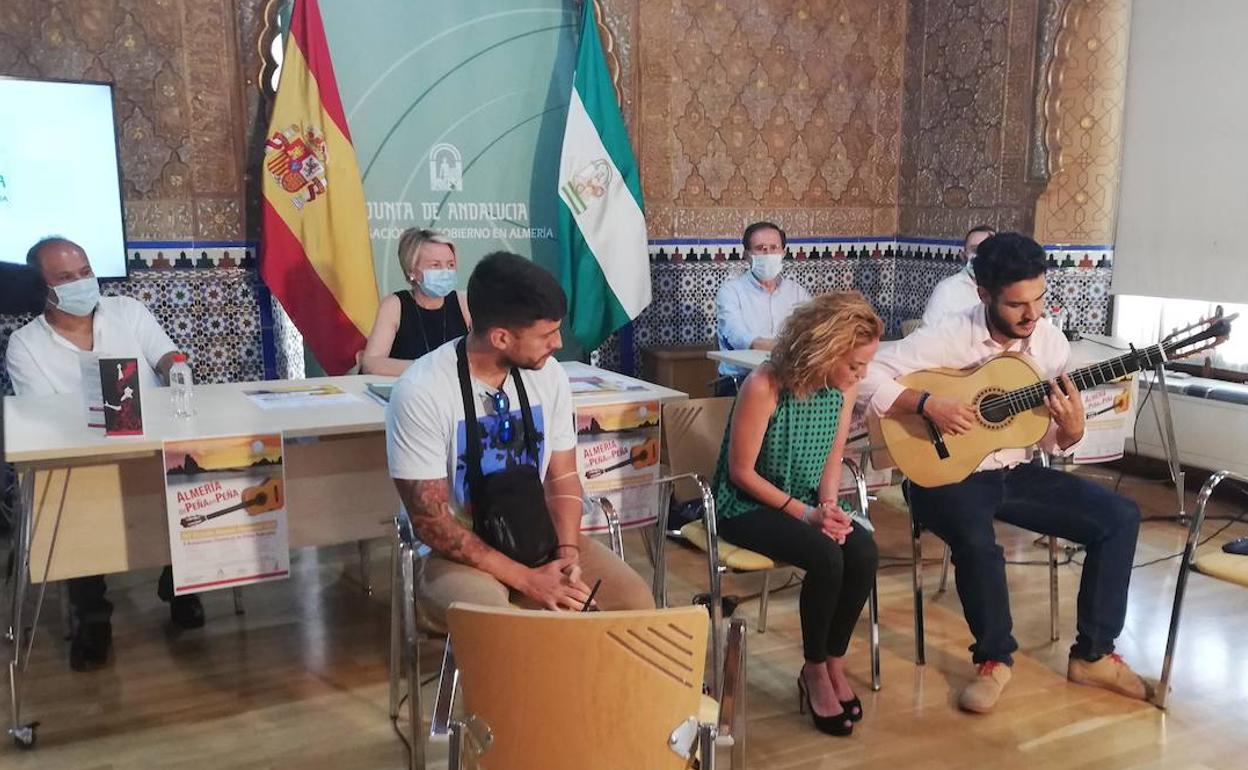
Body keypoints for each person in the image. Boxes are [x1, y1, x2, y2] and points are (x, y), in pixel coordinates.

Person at [861, 232, 1148, 714]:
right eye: (1017, 305)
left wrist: (1071, 432)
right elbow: (866, 373)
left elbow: (1042, 437)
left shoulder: (1049, 344)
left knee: (1119, 516)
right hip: (942, 475)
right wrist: (927, 403)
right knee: (976, 540)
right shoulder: (947, 336)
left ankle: (1094, 655)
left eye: (1038, 299)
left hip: (1012, 472)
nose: (1031, 316)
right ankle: (995, 660)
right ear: (984, 295)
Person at [385, 251, 653, 625]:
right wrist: (529, 581)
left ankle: (595, 685)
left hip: (536, 537)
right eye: (546, 334)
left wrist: (568, 554)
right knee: (502, 627)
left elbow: (561, 477)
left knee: (635, 604)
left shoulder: (550, 375)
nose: (558, 343)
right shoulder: (421, 390)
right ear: (500, 337)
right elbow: (434, 524)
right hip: (452, 554)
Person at [5, 237, 205, 672]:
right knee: (72, 504)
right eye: (65, 278)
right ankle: (91, 617)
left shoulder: (128, 311)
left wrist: (176, 368)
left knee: (189, 479)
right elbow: (44, 413)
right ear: (44, 289)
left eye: (85, 272)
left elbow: (166, 353)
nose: (81, 283)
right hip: (81, 458)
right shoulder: (24, 344)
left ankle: (183, 584)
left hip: (152, 447)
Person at [711, 291, 882, 736]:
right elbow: (741, 472)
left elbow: (832, 455)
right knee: (827, 558)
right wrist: (806, 515)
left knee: (862, 550)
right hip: (746, 504)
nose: (860, 375)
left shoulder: (842, 388)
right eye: (854, 364)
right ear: (824, 347)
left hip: (805, 500)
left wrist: (827, 506)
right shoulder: (765, 384)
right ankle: (812, 670)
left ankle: (833, 662)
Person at [714, 221, 811, 395]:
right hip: (741, 382)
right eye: (760, 248)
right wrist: (785, 348)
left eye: (774, 247)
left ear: (784, 252)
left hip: (788, 379)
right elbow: (740, 337)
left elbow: (812, 332)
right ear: (747, 255)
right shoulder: (731, 292)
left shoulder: (796, 291)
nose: (768, 254)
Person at [361, 228, 471, 375]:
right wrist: (428, 368)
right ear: (411, 271)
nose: (446, 271)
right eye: (435, 265)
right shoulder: (395, 305)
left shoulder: (464, 302)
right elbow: (371, 363)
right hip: (407, 393)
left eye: (450, 265)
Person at [920, 224, 995, 328]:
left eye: (988, 250)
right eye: (975, 250)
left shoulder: (1008, 289)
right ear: (963, 256)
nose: (981, 255)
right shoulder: (947, 290)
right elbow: (927, 334)